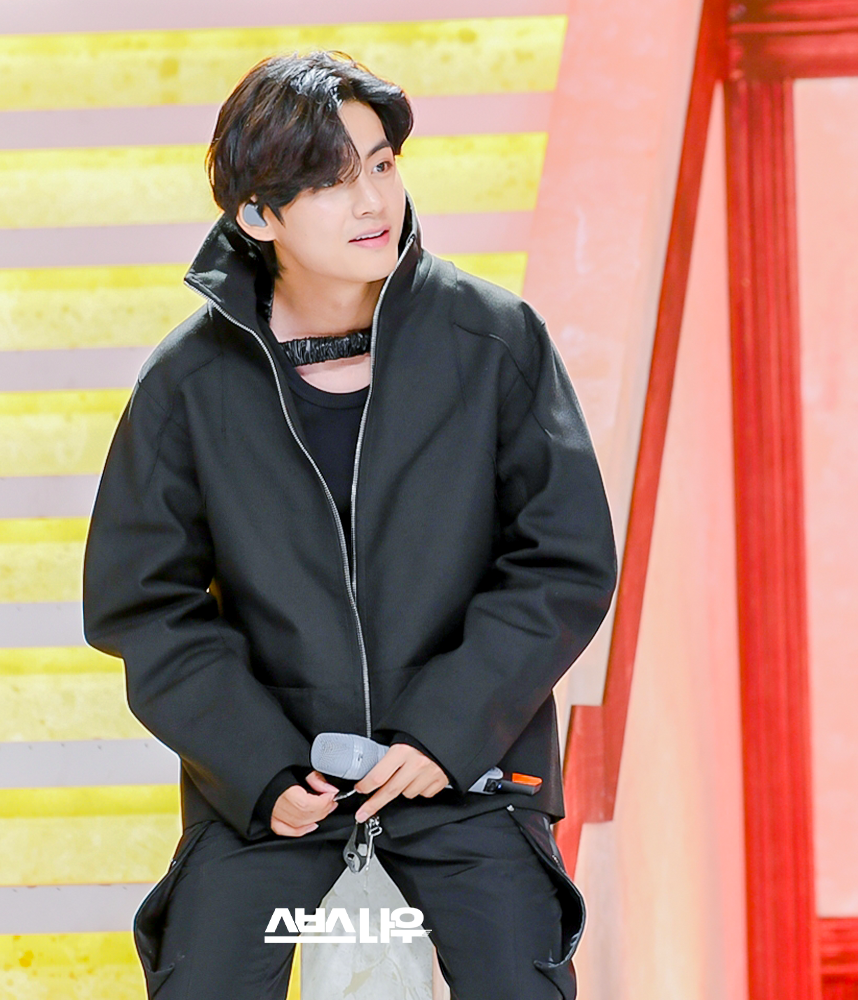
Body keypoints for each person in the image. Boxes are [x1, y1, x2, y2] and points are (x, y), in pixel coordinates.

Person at [82, 49, 617, 1000]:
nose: (373, 201)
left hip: (467, 780)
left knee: (515, 976)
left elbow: (563, 562)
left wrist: (447, 733)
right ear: (259, 217)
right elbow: (144, 605)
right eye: (331, 181)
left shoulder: (493, 342)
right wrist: (260, 768)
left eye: (381, 164)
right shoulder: (188, 386)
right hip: (276, 793)